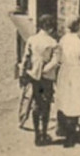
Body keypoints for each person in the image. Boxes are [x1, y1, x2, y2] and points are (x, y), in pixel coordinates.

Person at [18, 14, 58, 146]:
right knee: (46, 105)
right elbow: (55, 61)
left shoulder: (32, 40)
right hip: (46, 77)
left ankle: (37, 135)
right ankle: (44, 133)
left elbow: (26, 58)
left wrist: (22, 73)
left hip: (34, 76)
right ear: (50, 28)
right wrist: (45, 70)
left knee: (36, 104)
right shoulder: (53, 43)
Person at [53, 17, 80, 147]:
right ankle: (72, 135)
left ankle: (62, 129)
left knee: (65, 99)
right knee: (75, 100)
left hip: (65, 71)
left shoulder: (63, 40)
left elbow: (58, 57)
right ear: (78, 28)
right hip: (76, 73)